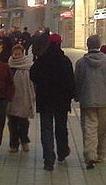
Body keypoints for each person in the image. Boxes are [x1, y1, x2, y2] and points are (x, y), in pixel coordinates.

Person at [74, 35, 106, 169]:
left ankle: (90, 155)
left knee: (89, 129)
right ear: (99, 45)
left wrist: (77, 96)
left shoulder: (81, 63)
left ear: (88, 45)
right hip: (103, 101)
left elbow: (77, 81)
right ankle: (100, 155)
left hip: (87, 100)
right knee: (101, 130)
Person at [30, 33, 75, 171]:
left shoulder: (42, 60)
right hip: (61, 101)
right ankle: (62, 152)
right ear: (60, 43)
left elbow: (33, 75)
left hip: (45, 100)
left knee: (46, 129)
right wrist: (70, 96)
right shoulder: (65, 60)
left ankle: (48, 159)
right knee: (61, 127)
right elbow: (71, 81)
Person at [6, 43, 35, 154]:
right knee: (12, 123)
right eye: (15, 54)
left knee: (23, 122)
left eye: (19, 54)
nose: (17, 56)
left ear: (23, 54)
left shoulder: (28, 66)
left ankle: (24, 140)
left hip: (24, 98)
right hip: (11, 99)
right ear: (12, 54)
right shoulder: (9, 67)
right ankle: (13, 144)